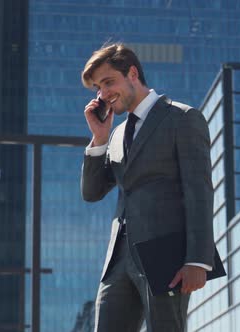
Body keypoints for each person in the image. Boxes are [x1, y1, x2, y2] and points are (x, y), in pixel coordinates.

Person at [80, 43, 218, 332]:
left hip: (166, 254)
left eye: (108, 82)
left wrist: (198, 260)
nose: (102, 94)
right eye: (97, 88)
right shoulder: (115, 135)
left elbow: (199, 190)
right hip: (118, 259)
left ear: (132, 73)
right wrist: (100, 137)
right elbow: (92, 193)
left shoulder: (181, 118)